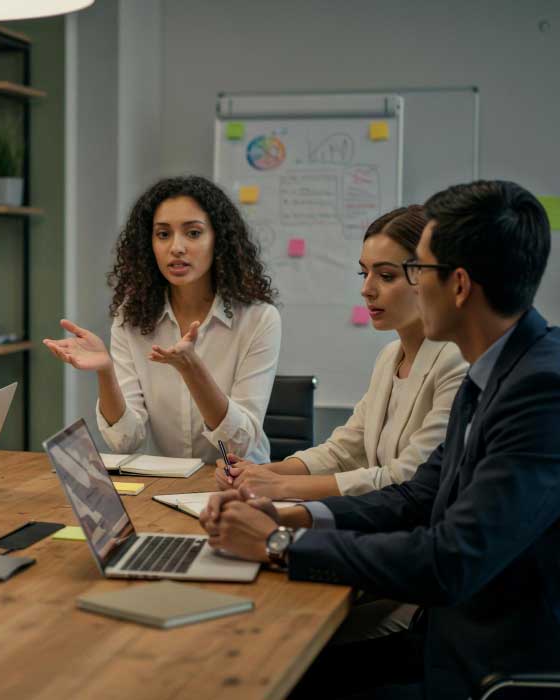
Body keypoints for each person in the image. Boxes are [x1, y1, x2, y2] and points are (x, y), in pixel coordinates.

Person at [199, 180, 560, 699]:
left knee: (269, 669)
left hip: (489, 669)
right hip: (447, 635)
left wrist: (280, 545)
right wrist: (287, 517)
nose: (387, 286)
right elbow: (418, 495)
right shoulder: (497, 367)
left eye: (415, 271)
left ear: (458, 285)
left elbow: (448, 560)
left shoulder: (540, 389)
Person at [216, 206, 467, 502]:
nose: (366, 289)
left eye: (386, 276)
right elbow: (344, 451)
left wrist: (278, 486)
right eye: (364, 272)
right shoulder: (389, 357)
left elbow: (406, 477)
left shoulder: (456, 361)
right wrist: (259, 472)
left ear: (430, 277)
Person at [44, 176, 281, 464]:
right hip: (164, 486)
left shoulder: (258, 319)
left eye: (193, 233)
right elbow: (125, 441)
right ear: (149, 243)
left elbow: (237, 445)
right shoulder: (131, 317)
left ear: (218, 240)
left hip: (240, 485)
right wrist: (106, 372)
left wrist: (192, 370)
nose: (176, 247)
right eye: (163, 234)